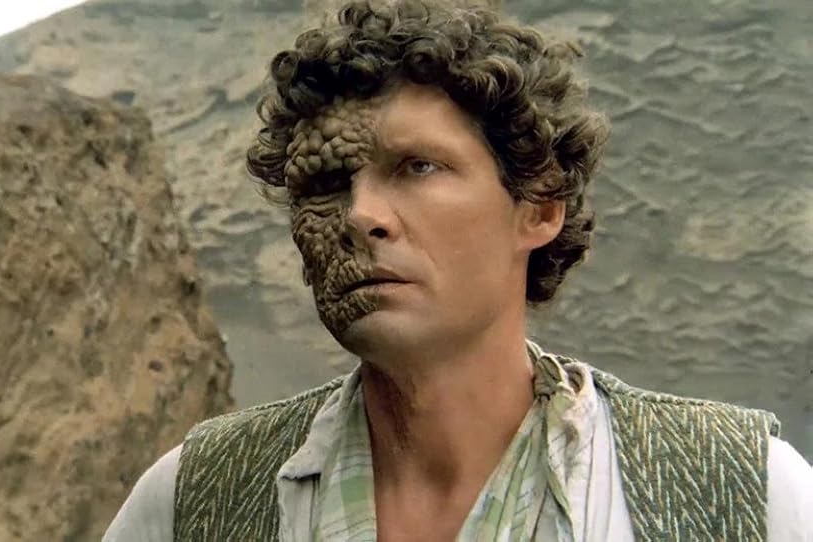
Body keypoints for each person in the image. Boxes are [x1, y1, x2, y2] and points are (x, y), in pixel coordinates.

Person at [103, 1, 813, 540]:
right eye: (325, 184)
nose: (361, 215)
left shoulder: (738, 493)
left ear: (539, 207)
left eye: (417, 167)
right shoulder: (194, 502)